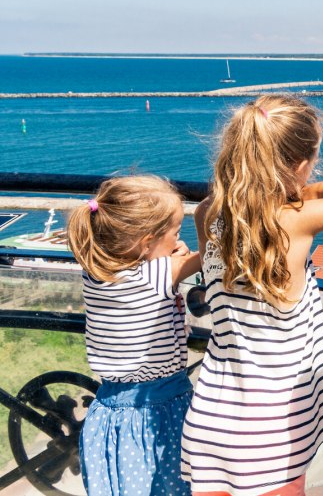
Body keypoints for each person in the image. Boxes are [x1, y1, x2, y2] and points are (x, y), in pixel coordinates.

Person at [181, 94, 323, 496]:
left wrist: (293, 185)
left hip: (211, 414)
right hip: (273, 424)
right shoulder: (297, 220)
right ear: (300, 164)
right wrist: (315, 188)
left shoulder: (208, 214)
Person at [67, 175, 202, 496]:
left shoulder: (95, 270)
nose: (177, 240)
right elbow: (213, 255)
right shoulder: (157, 275)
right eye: (175, 233)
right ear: (145, 242)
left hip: (108, 414)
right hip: (159, 409)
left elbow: (152, 263)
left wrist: (167, 250)